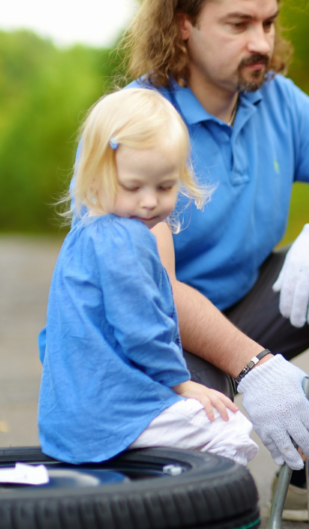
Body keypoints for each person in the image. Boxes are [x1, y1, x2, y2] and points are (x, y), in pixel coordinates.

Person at [120, 0, 309, 519]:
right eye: (238, 25)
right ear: (183, 25)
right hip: (156, 338)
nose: (261, 43)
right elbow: (151, 291)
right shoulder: (134, 124)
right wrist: (255, 367)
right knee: (201, 497)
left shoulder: (276, 100)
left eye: (267, 23)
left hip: (247, 303)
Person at [38, 88, 258, 466]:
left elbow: (51, 338)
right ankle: (182, 511)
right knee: (231, 430)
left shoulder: (83, 237)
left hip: (65, 420)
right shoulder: (128, 239)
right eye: (133, 187)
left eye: (165, 186)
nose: (150, 201)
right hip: (115, 416)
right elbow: (141, 328)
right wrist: (182, 384)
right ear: (95, 176)